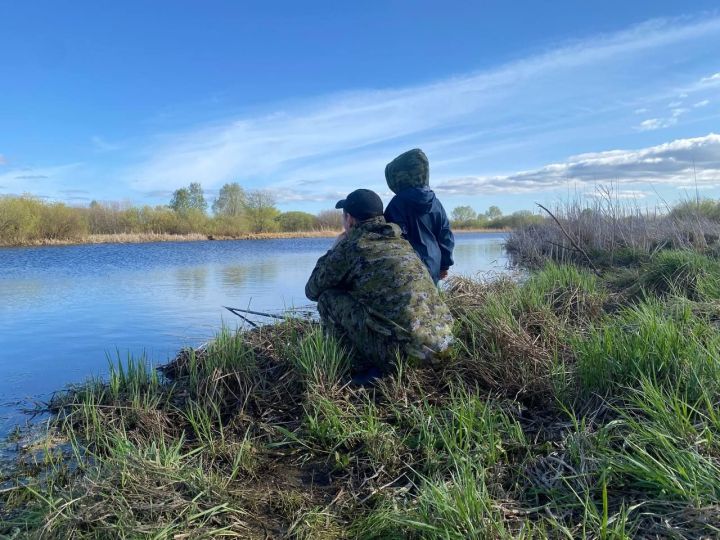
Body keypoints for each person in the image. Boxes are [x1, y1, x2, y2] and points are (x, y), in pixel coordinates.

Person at [305, 188, 453, 375]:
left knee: (328, 297)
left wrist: (334, 250)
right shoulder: (401, 243)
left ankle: (354, 368)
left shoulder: (352, 247)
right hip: (444, 346)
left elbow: (312, 290)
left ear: (349, 220)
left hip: (406, 357)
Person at [384, 148, 455, 283]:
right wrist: (445, 264)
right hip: (434, 264)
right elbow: (445, 235)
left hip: (408, 267)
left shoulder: (397, 203)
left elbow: (392, 235)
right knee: (432, 300)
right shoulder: (435, 202)